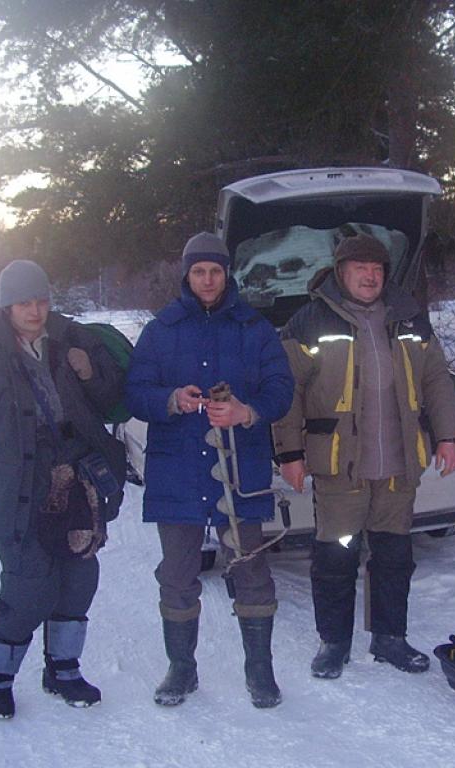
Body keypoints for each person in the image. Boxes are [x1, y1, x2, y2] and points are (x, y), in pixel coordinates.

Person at [273, 232, 455, 679]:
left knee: (394, 555)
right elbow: (288, 391)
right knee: (337, 555)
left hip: (399, 465)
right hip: (341, 465)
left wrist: (448, 436)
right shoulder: (311, 321)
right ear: (341, 272)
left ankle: (389, 638)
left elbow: (437, 379)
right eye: (360, 268)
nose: (370, 276)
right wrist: (291, 453)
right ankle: (334, 643)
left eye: (377, 269)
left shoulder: (410, 319)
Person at [0, 259, 127, 718]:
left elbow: (112, 401)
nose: (36, 310)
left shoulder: (71, 342)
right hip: (20, 491)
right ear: (7, 306)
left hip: (76, 483)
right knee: (28, 588)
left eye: (42, 300)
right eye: (25, 302)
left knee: (79, 579)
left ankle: (63, 670)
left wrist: (88, 374)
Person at [125, 232, 294, 709]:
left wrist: (247, 412)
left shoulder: (254, 328)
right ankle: (182, 669)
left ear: (227, 274)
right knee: (177, 574)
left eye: (215, 271)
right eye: (198, 271)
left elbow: (282, 389)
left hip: (239, 469)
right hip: (177, 469)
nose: (207, 280)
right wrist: (171, 399)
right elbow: (134, 391)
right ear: (186, 275)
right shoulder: (161, 329)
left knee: (252, 570)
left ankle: (260, 670)